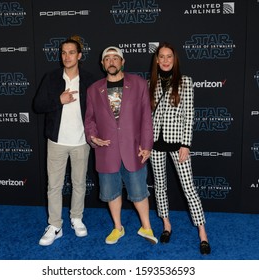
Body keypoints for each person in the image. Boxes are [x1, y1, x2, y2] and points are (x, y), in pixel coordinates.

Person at [85, 46, 157, 245]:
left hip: (134, 149)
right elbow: (89, 119)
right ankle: (118, 228)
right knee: (111, 193)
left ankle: (146, 227)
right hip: (106, 150)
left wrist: (147, 145)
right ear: (102, 64)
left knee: (139, 191)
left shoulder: (139, 84)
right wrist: (93, 136)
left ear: (122, 62)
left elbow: (146, 118)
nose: (111, 61)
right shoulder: (93, 89)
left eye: (115, 58)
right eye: (107, 58)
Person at [148, 42, 211, 254]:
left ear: (175, 60)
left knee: (188, 188)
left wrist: (186, 143)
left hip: (178, 144)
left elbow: (189, 115)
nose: (165, 60)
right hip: (155, 143)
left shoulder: (185, 82)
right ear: (157, 60)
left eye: (169, 57)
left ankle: (202, 232)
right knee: (159, 186)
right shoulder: (150, 83)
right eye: (162, 57)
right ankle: (166, 225)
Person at [33, 35, 96, 246]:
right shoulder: (50, 78)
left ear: (79, 55)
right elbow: (38, 105)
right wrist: (58, 100)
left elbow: (98, 111)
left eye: (71, 52)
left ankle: (76, 218)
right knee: (54, 186)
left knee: (79, 183)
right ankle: (55, 225)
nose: (67, 56)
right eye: (63, 52)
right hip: (57, 141)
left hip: (81, 142)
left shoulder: (89, 80)